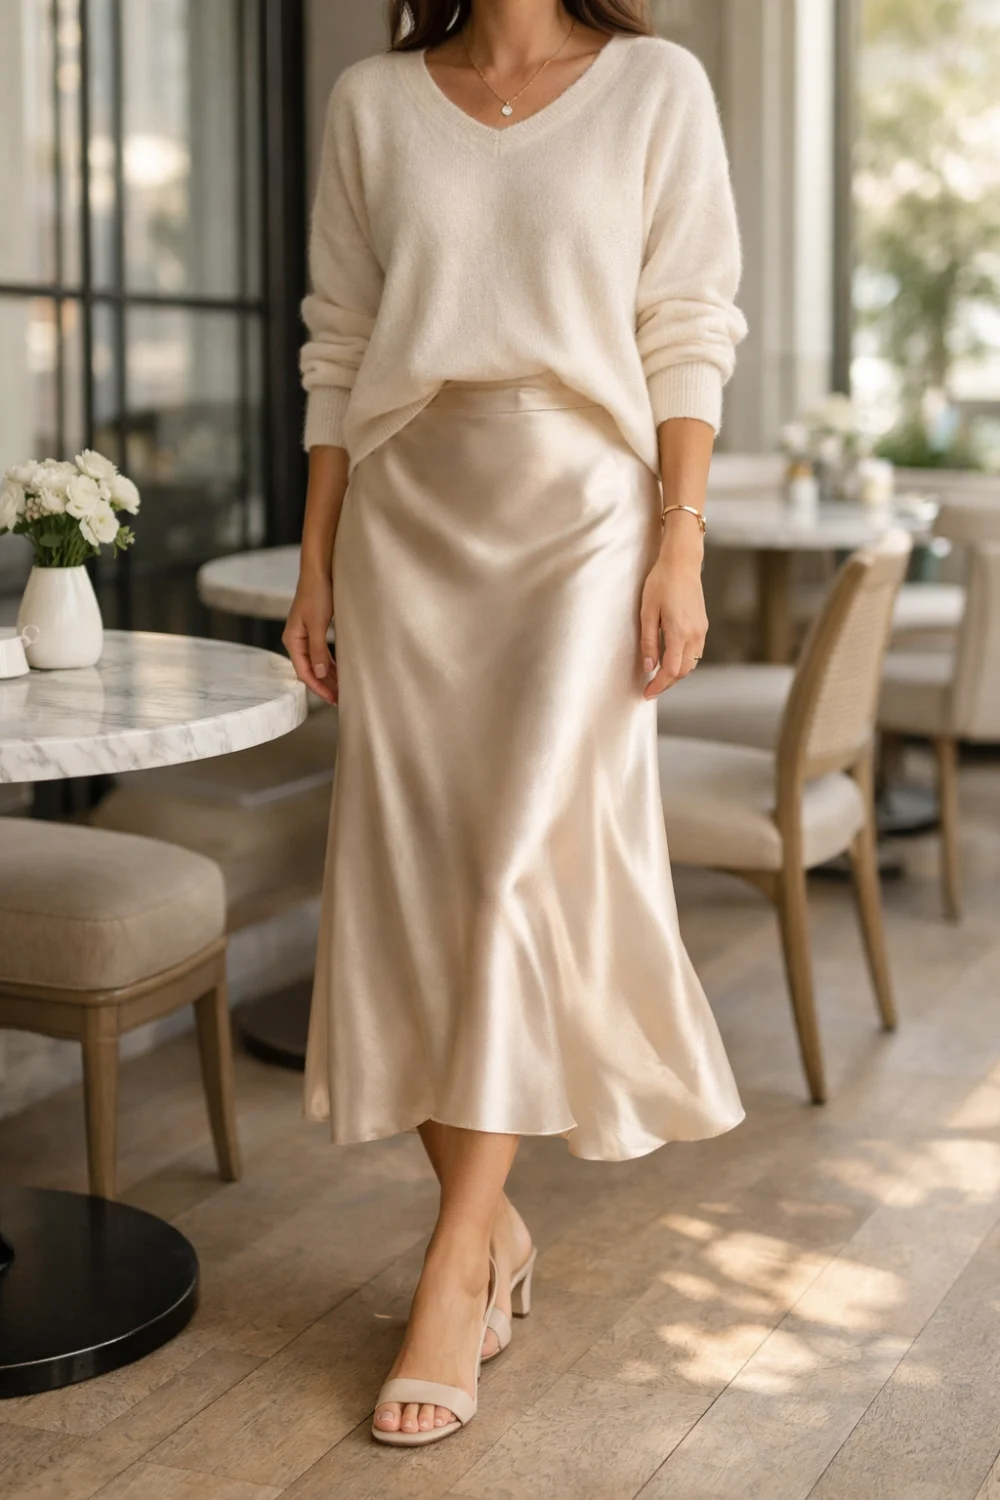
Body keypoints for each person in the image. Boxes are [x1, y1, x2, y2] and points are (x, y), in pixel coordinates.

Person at [283, 0, 748, 1449]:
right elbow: (341, 339)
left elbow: (688, 319)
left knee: (510, 879)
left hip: (582, 525)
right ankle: (491, 1229)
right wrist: (317, 553)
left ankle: (447, 1268)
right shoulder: (372, 98)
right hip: (406, 523)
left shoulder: (657, 87)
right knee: (422, 889)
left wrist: (681, 540)